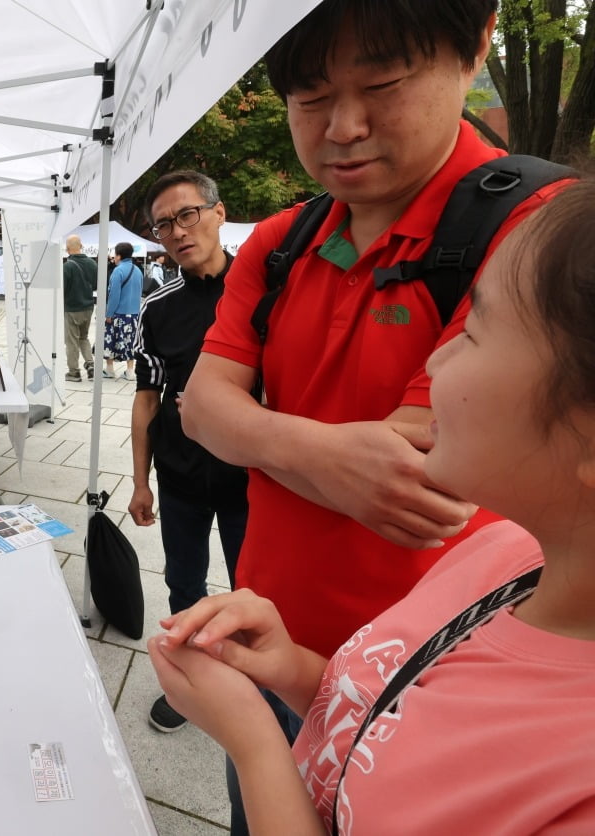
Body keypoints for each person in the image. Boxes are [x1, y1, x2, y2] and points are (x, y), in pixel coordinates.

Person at [178, 3, 567, 831]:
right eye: (311, 98)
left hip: (436, 684)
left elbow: (420, 468)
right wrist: (318, 451)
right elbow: (198, 409)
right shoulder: (283, 240)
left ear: (477, 45)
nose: (344, 127)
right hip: (268, 641)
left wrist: (254, 430)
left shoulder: (543, 236)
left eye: (383, 84)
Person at [130, 171, 248, 733]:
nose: (176, 232)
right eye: (162, 224)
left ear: (218, 213)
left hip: (254, 477)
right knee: (184, 583)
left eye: (187, 215)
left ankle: (255, 683)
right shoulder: (158, 306)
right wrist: (139, 480)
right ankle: (189, 684)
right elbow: (145, 398)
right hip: (179, 475)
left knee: (254, 586)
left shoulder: (263, 292)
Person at [103, 241, 141, 380]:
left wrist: (109, 313)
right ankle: (130, 371)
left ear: (118, 256)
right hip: (134, 313)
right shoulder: (138, 270)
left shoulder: (118, 271)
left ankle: (109, 369)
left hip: (118, 313)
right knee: (130, 342)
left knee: (110, 340)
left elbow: (114, 295)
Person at [62, 234, 97, 382]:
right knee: (84, 337)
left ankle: (74, 372)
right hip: (88, 307)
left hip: (72, 308)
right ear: (81, 246)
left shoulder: (67, 266)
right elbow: (96, 285)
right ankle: (90, 364)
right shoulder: (92, 263)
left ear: (67, 249)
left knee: (71, 341)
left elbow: (63, 289)